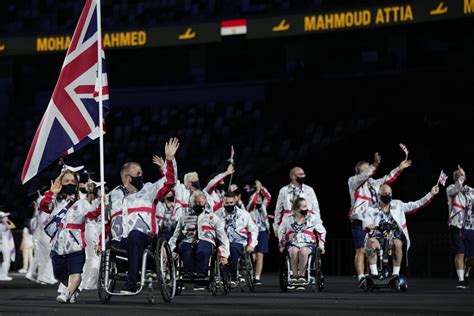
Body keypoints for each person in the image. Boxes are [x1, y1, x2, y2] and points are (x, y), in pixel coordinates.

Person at [119, 137, 179, 293]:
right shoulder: (116, 195)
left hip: (146, 238)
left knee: (134, 235)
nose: (141, 176)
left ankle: (133, 281)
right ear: (127, 178)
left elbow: (169, 182)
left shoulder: (149, 189)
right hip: (121, 238)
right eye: (138, 173)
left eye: (142, 173)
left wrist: (170, 160)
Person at [348, 152, 411, 287]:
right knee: (360, 250)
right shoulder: (353, 181)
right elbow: (365, 176)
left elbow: (387, 178)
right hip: (359, 219)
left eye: (370, 168)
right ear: (359, 172)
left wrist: (399, 168)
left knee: (373, 248)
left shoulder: (374, 184)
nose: (369, 170)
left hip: (374, 221)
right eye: (366, 168)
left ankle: (374, 274)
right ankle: (361, 277)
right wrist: (375, 165)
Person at [39, 169, 102, 303]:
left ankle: (67, 293)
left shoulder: (83, 202)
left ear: (77, 184)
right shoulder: (55, 201)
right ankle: (74, 290)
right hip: (57, 244)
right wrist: (51, 193)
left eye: (73, 181)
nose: (70, 184)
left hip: (76, 244)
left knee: (75, 272)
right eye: (66, 181)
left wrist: (102, 202)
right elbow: (44, 207)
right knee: (59, 274)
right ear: (60, 183)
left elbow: (94, 213)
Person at [363, 184, 439, 279]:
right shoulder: (371, 209)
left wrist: (430, 194)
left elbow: (416, 205)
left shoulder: (398, 205)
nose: (387, 195)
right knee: (370, 243)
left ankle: (395, 274)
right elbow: (366, 223)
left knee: (398, 244)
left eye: (389, 193)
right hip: (378, 237)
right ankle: (374, 274)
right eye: (384, 193)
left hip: (393, 236)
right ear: (379, 194)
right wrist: (371, 226)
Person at [169, 190, 229, 290]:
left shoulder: (213, 217)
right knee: (184, 248)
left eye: (201, 202)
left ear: (205, 203)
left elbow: (223, 237)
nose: (198, 204)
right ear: (192, 204)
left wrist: (224, 254)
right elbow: (175, 236)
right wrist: (169, 250)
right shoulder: (184, 218)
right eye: (196, 202)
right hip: (188, 240)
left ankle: (201, 273)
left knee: (202, 248)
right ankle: (189, 272)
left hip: (207, 241)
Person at [278, 197, 326, 290]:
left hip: (307, 243)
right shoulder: (288, 218)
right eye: (304, 207)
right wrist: (282, 245)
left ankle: (301, 276)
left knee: (303, 252)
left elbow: (322, 231)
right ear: (296, 209)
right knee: (293, 251)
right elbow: (281, 231)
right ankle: (295, 276)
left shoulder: (312, 217)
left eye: (306, 206)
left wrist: (321, 246)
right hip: (293, 243)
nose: (306, 208)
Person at [216, 191, 258, 287]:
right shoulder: (217, 214)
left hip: (238, 241)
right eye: (227, 203)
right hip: (222, 242)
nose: (229, 205)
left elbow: (253, 229)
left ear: (235, 201)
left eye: (231, 203)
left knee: (233, 248)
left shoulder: (244, 214)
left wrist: (251, 244)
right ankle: (221, 274)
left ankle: (233, 276)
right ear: (223, 202)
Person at [446, 165, 474, 289]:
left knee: (471, 257)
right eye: (456, 176)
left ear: (465, 177)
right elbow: (456, 189)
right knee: (460, 252)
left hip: (470, 226)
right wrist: (461, 178)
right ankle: (461, 280)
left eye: (460, 175)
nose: (457, 177)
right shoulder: (450, 188)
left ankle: (467, 273)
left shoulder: (471, 190)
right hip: (456, 225)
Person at [273, 167, 320, 236]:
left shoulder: (309, 190)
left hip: (306, 224)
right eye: (300, 174)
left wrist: (318, 225)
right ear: (293, 176)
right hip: (289, 224)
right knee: (289, 246)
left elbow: (316, 209)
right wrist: (276, 227)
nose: (303, 176)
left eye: (304, 174)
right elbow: (278, 210)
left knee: (305, 245)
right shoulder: (284, 190)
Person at [246, 180, 271, 285]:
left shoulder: (264, 207)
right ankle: (250, 272)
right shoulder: (249, 208)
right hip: (252, 233)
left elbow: (268, 196)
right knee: (253, 256)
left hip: (262, 232)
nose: (259, 199)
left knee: (260, 255)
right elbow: (252, 202)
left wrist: (260, 188)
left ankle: (257, 277)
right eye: (258, 197)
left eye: (261, 197)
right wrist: (256, 191)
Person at [0, 211, 16, 281]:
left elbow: (13, 226)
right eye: (5, 217)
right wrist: (5, 221)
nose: (7, 218)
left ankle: (2, 274)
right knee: (6, 260)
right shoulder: (2, 225)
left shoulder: (3, 225)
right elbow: (11, 226)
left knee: (4, 260)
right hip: (4, 243)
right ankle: (3, 275)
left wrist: (6, 220)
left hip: (4, 243)